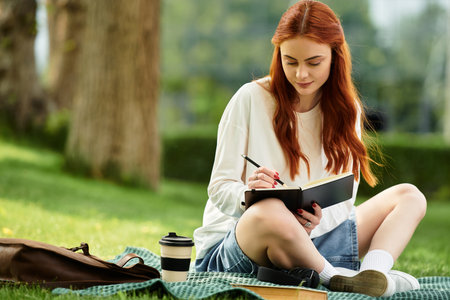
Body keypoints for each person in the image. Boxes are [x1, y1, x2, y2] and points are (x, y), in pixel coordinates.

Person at [193, 0, 427, 297]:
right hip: (242, 245)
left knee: (410, 196)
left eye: (313, 62)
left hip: (314, 240)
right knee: (269, 208)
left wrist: (311, 222)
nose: (301, 74)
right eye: (290, 61)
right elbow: (219, 187)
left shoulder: (347, 110)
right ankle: (333, 277)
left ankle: (375, 275)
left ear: (335, 57)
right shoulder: (250, 99)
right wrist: (247, 195)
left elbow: (344, 197)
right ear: (279, 56)